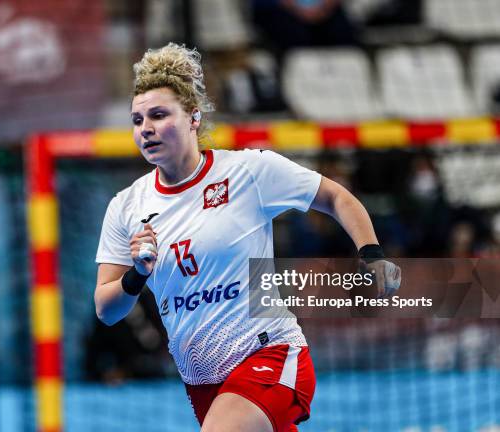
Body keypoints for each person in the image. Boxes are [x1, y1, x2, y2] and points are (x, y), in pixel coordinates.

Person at [94, 43, 400, 432]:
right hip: (203, 382)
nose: (146, 129)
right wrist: (136, 275)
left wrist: (372, 255)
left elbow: (336, 197)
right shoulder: (126, 206)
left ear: (192, 117)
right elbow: (107, 310)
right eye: (137, 120)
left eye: (158, 115)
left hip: (270, 353)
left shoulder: (247, 172)